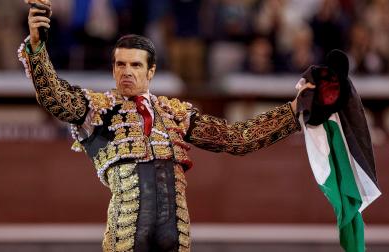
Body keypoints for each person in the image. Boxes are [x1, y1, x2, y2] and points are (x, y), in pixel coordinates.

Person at [18, 1, 314, 251]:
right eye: (120, 65)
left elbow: (236, 138)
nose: (127, 73)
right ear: (112, 69)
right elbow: (54, 97)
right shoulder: (96, 108)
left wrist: (293, 110)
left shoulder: (175, 113)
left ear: (151, 72)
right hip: (126, 234)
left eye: (135, 66)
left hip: (174, 234)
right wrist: (36, 46)